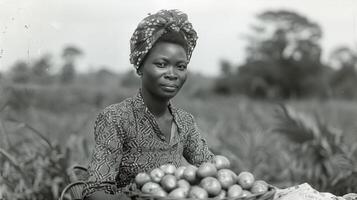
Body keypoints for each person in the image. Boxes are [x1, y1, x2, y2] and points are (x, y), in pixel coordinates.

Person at [83, 9, 214, 200]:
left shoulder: (185, 122)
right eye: (161, 64)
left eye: (181, 66)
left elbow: (211, 169)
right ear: (141, 65)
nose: (172, 74)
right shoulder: (116, 118)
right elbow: (95, 191)